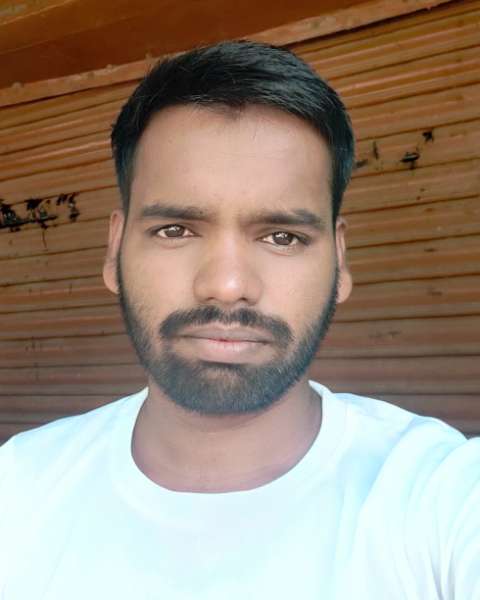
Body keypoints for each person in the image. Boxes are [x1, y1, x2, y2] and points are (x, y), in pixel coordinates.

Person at [0, 41, 478, 599]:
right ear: (114, 250)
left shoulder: (443, 495)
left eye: (283, 237)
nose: (227, 285)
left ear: (340, 261)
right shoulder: (18, 487)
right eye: (175, 230)